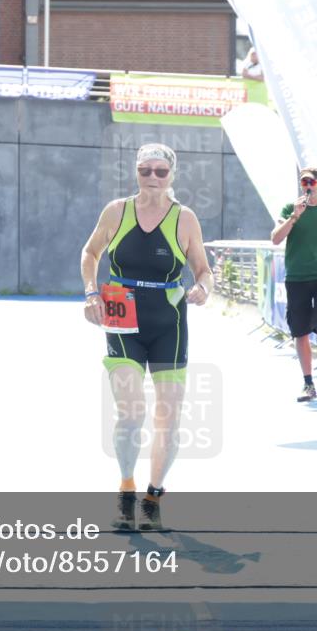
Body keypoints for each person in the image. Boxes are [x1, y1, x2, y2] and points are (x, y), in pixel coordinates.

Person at [81, 143, 214, 532]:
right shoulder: (116, 211)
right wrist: (91, 292)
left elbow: (203, 269)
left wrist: (204, 289)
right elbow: (90, 253)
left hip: (168, 321)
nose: (152, 178)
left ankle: (154, 496)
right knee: (131, 412)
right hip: (123, 316)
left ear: (172, 175)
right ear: (135, 173)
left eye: (160, 171)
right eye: (145, 171)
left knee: (168, 418)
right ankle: (126, 489)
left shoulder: (184, 218)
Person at [270, 167, 317, 404]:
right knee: (301, 332)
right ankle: (307, 384)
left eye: (311, 181)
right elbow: (275, 239)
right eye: (303, 181)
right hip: (297, 277)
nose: (307, 185)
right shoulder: (289, 209)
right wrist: (295, 216)